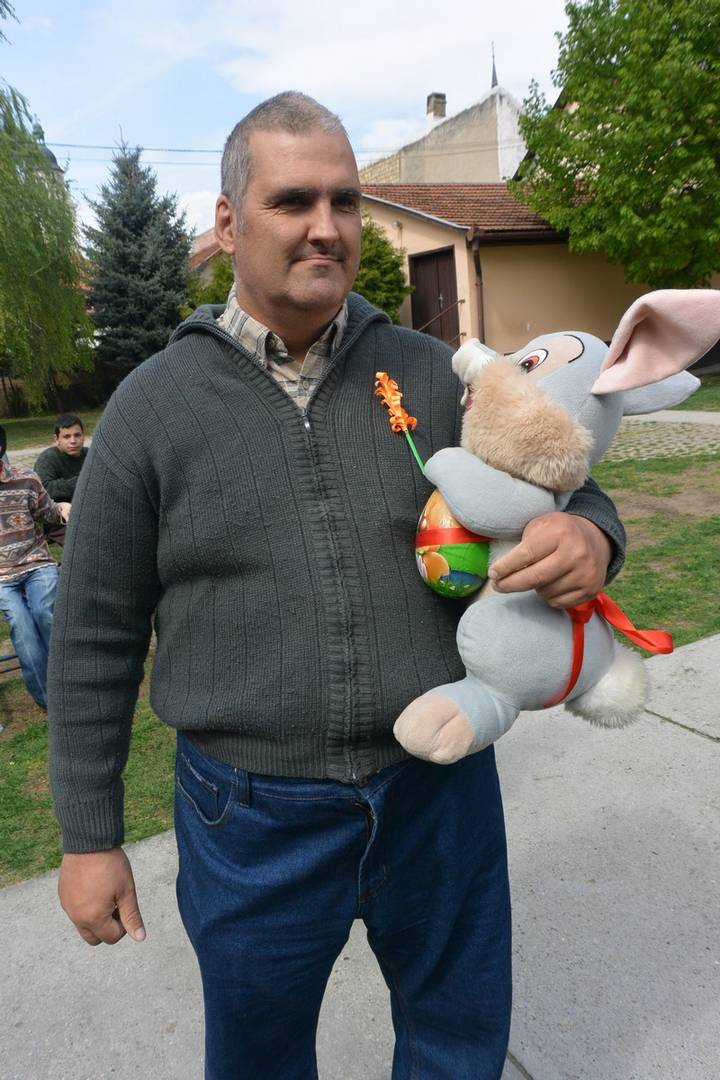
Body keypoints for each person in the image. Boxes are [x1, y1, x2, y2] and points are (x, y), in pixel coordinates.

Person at [48, 93, 625, 1080]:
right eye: (293, 201)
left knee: (457, 1042)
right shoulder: (152, 409)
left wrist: (592, 536)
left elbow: (570, 478)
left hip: (439, 793)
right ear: (228, 221)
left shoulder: (435, 373)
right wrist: (89, 836)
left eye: (346, 201)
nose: (327, 226)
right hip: (251, 819)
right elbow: (94, 635)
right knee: (260, 1060)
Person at [0, 425, 69, 709]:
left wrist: (62, 508)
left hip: (36, 561)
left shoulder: (26, 479)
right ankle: (49, 700)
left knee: (44, 613)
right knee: (22, 627)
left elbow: (47, 511)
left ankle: (69, 681)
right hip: (2, 577)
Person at [34, 413, 88, 546]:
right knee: (84, 542)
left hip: (88, 512)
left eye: (77, 435)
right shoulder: (48, 458)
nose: (73, 441)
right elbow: (45, 489)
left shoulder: (90, 455)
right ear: (56, 439)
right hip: (58, 519)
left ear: (83, 436)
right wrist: (84, 481)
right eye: (66, 436)